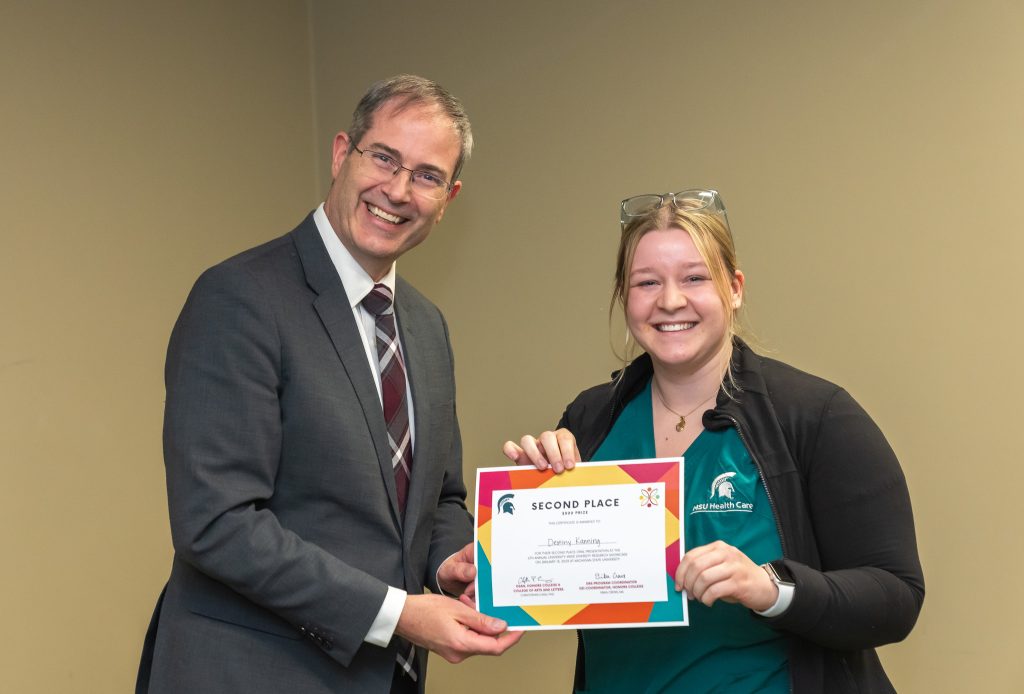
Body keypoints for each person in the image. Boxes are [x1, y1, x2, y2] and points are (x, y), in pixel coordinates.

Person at [137, 74, 521, 694]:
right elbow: (218, 523)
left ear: (448, 197)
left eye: (426, 176)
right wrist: (400, 614)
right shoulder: (239, 298)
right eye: (384, 158)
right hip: (247, 673)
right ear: (343, 153)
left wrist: (448, 563)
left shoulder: (425, 327)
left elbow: (440, 497)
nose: (397, 190)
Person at [504, 189, 924, 693]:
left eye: (694, 278)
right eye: (647, 282)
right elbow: (564, 584)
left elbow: (896, 597)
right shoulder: (590, 418)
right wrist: (530, 512)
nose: (670, 301)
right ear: (624, 297)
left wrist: (771, 588)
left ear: (735, 288)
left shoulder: (816, 416)